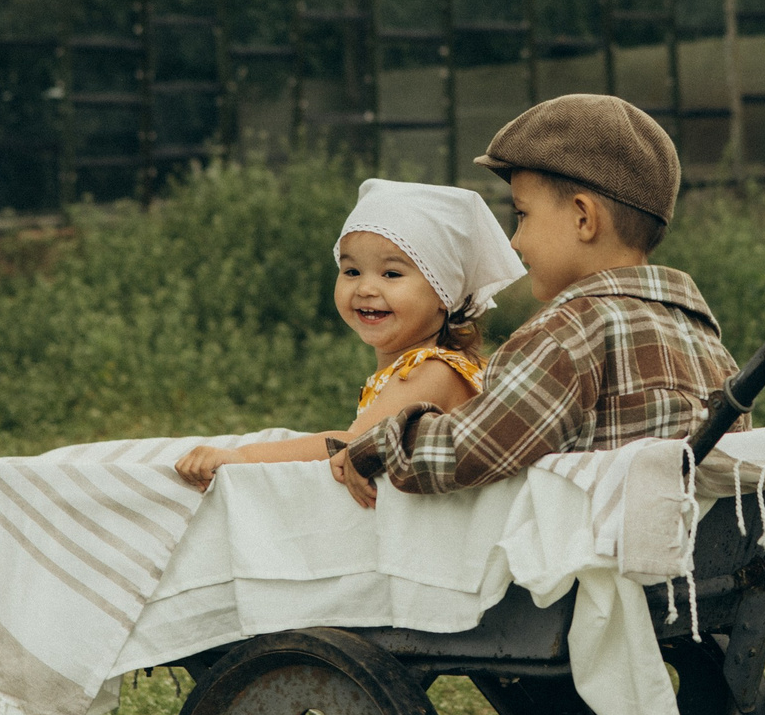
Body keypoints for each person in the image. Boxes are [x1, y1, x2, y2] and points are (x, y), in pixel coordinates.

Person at [336, 93, 740, 505]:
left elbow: (471, 448)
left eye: (522, 215)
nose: (515, 241)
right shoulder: (704, 339)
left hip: (595, 542)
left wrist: (376, 445)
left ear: (583, 218)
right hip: (687, 539)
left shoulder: (571, 334)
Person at [173, 178, 525, 492]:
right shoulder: (417, 365)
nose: (365, 288)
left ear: (443, 292)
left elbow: (354, 443)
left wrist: (242, 457)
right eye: (352, 271)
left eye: (391, 274)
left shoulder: (430, 370)